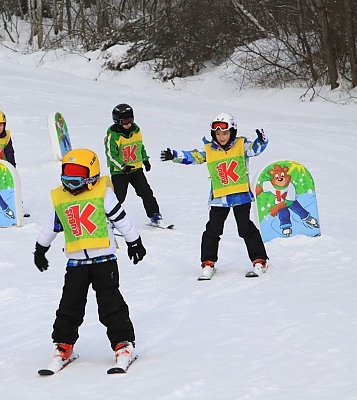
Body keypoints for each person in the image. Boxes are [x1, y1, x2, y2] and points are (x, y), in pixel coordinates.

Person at [34, 148, 146, 372]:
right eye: (67, 176)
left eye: (77, 178)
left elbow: (122, 219)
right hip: (75, 264)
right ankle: (63, 345)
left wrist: (135, 241)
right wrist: (40, 248)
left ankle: (123, 344)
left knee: (110, 304)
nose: (71, 184)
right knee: (70, 305)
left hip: (104, 261)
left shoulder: (102, 194)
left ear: (92, 176)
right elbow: (52, 226)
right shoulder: (61, 198)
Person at [160, 112, 269, 280]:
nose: (221, 137)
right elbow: (193, 156)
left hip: (240, 196)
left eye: (225, 133)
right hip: (219, 198)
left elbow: (255, 149)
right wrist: (175, 155)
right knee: (213, 230)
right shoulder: (209, 149)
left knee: (245, 228)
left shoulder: (241, 145)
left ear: (232, 132)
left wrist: (262, 140)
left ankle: (259, 260)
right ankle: (208, 263)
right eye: (218, 133)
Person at [104, 103, 167, 227]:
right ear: (117, 121)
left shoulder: (136, 131)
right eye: (125, 121)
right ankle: (109, 218)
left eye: (131, 120)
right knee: (118, 197)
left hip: (136, 169)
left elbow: (139, 147)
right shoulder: (113, 136)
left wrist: (145, 159)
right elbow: (111, 155)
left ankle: (154, 215)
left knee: (146, 193)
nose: (129, 124)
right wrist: (123, 166)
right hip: (120, 172)